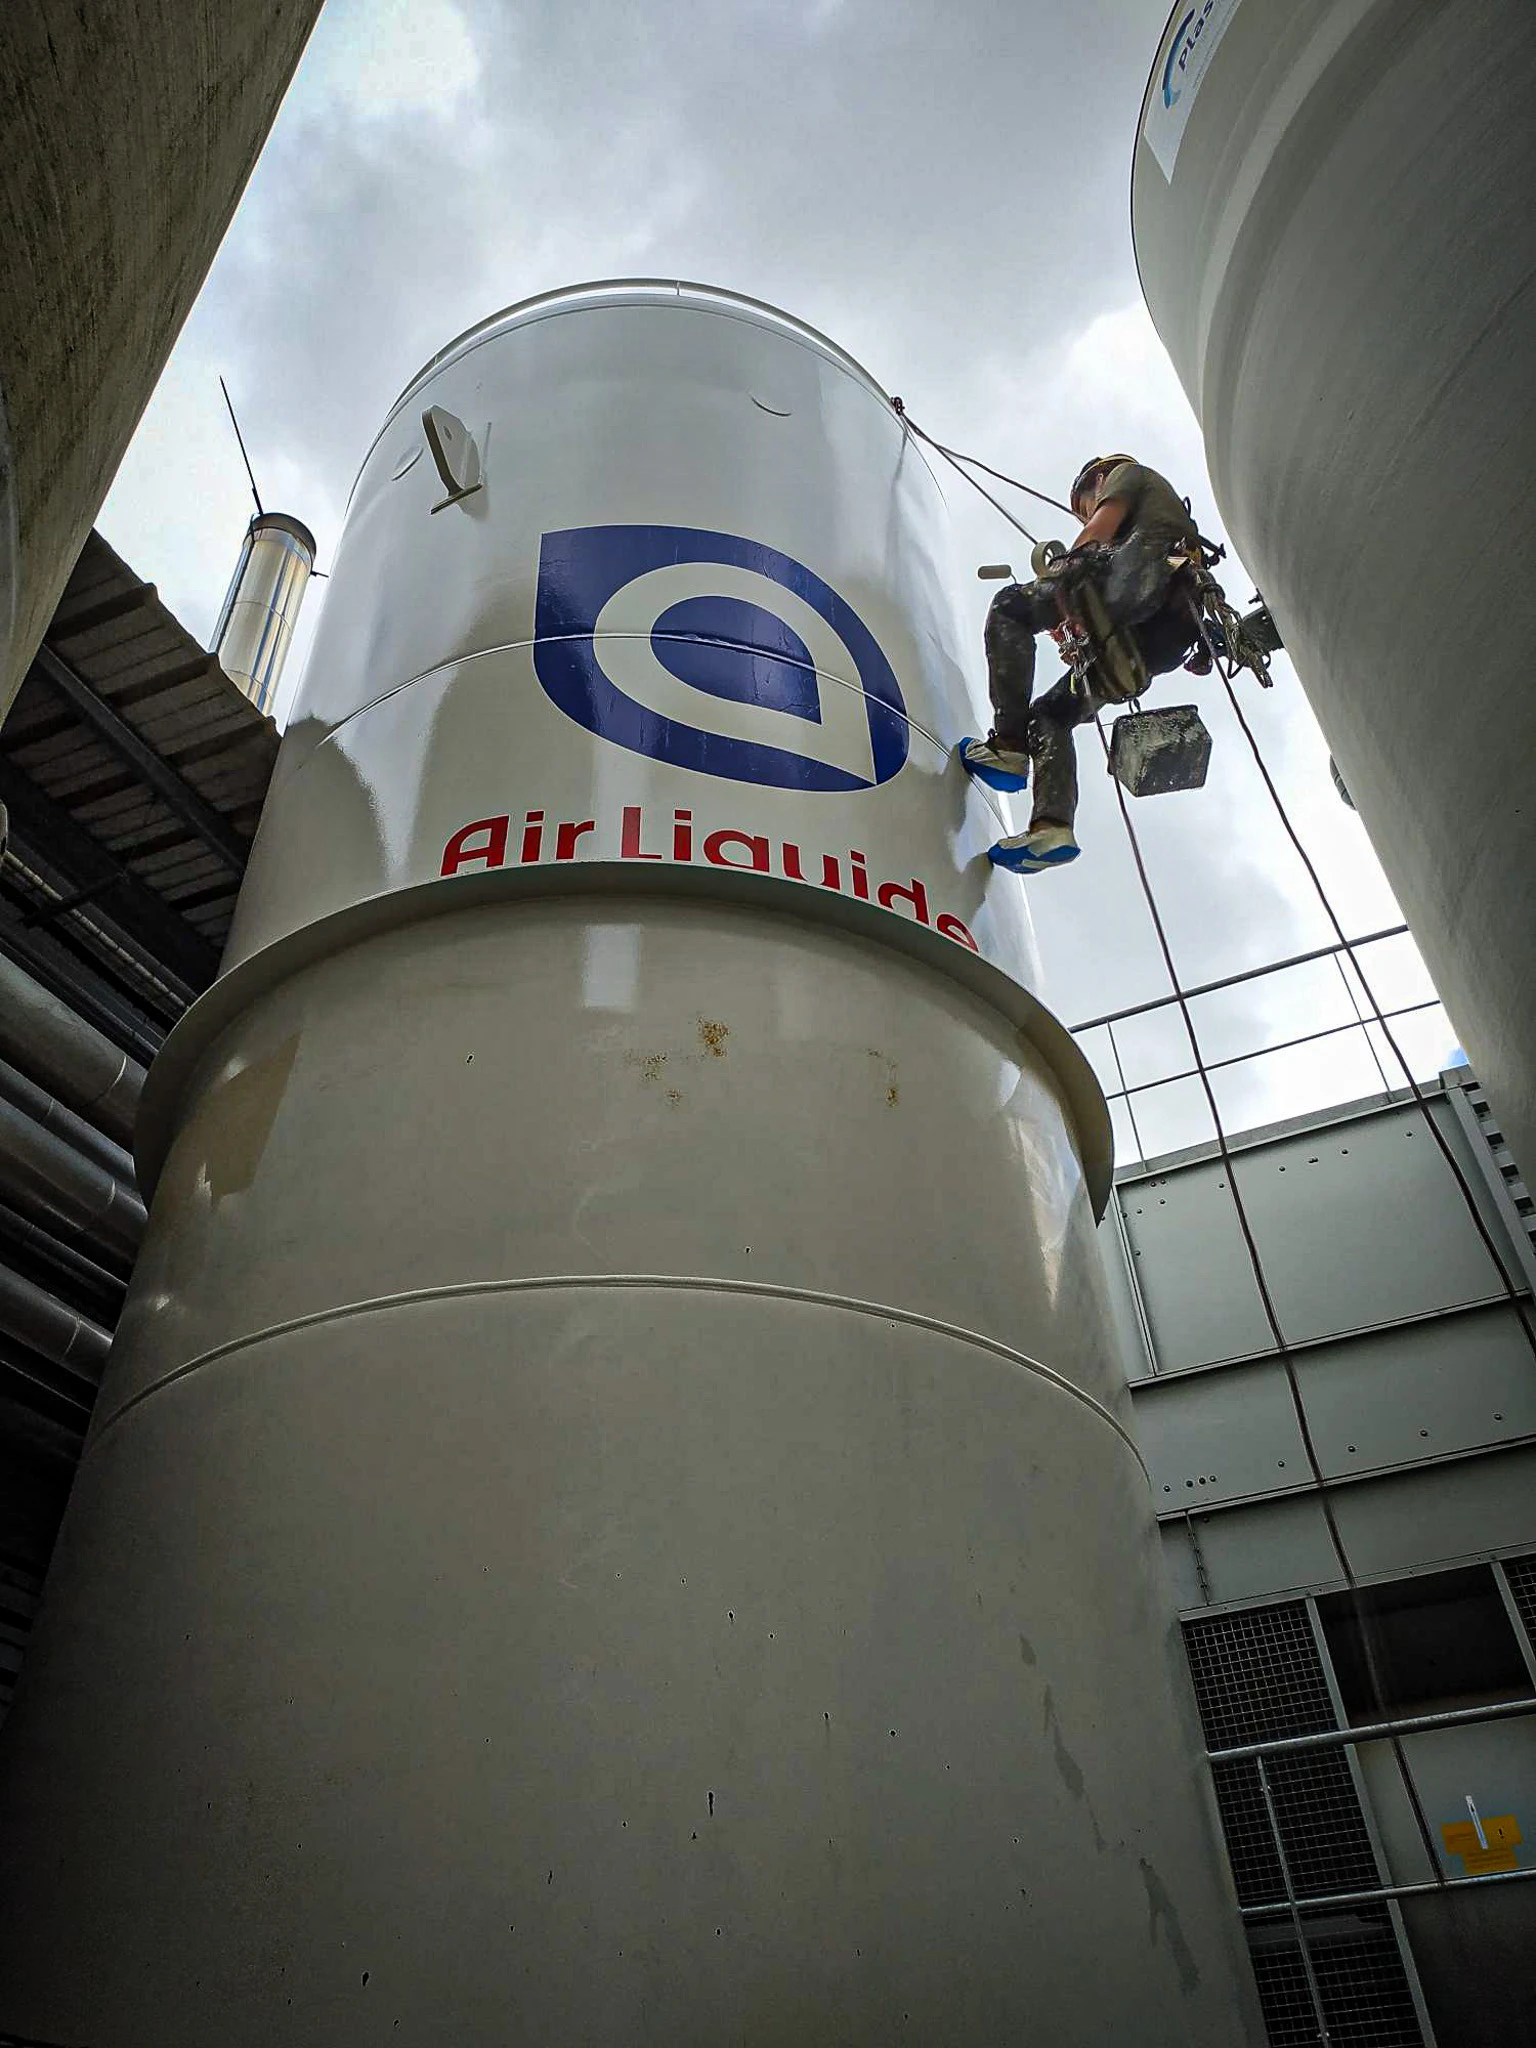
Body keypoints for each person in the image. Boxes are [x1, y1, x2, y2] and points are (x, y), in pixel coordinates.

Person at [959, 453, 1203, 873]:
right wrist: (1075, 619)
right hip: (1154, 639)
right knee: (1050, 716)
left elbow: (1100, 528)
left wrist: (1059, 575)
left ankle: (1007, 747)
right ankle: (1051, 829)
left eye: (1082, 507)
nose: (1084, 515)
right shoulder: (1179, 533)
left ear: (1098, 480)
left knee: (1009, 608)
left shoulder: (1128, 475)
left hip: (1137, 578)